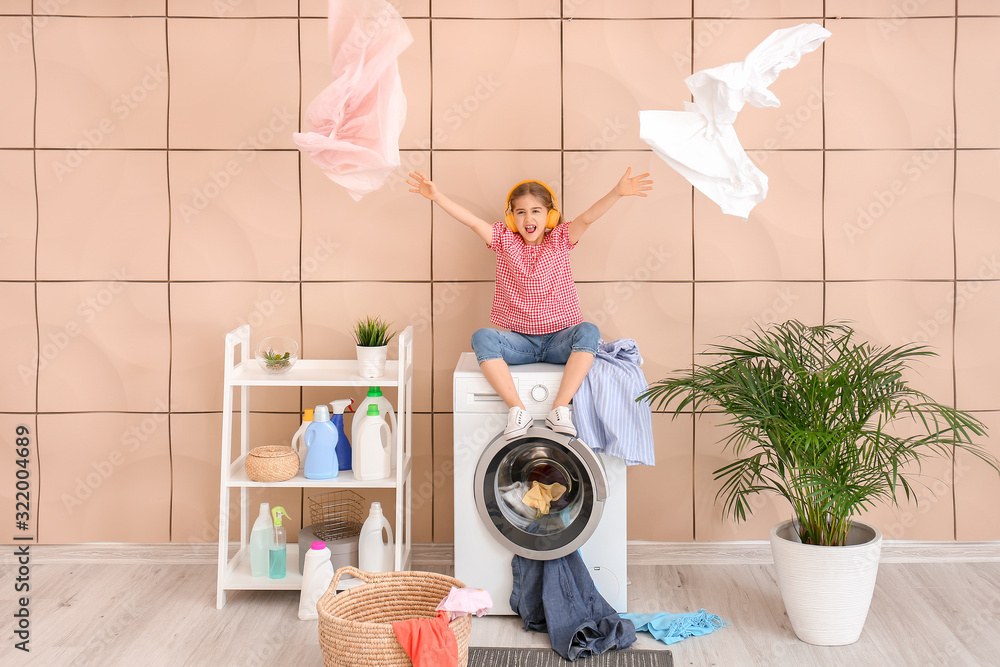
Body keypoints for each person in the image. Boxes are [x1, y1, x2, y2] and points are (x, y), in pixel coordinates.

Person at [407, 168, 653, 439]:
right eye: (520, 212)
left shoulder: (560, 239)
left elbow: (588, 217)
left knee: (589, 331)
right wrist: (438, 196)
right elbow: (474, 222)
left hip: (559, 341)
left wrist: (617, 192)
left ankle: (558, 409)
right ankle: (518, 411)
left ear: (550, 216)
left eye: (536, 210)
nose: (528, 218)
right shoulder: (504, 241)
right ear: (512, 219)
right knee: (482, 338)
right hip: (520, 345)